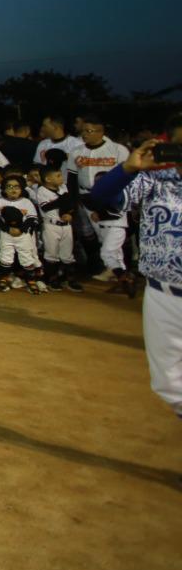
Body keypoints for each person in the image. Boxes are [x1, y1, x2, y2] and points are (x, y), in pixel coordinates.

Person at [85, 127, 182, 416]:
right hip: (163, 294)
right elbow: (99, 198)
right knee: (169, 383)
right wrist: (128, 168)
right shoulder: (155, 180)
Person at [71, 117, 130, 286]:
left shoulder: (118, 150)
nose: (84, 134)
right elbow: (72, 178)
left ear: (100, 132)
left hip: (112, 197)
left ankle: (119, 271)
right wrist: (75, 200)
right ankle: (119, 273)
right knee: (103, 236)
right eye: (83, 130)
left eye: (88, 131)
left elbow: (127, 176)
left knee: (112, 236)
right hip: (86, 196)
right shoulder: (76, 151)